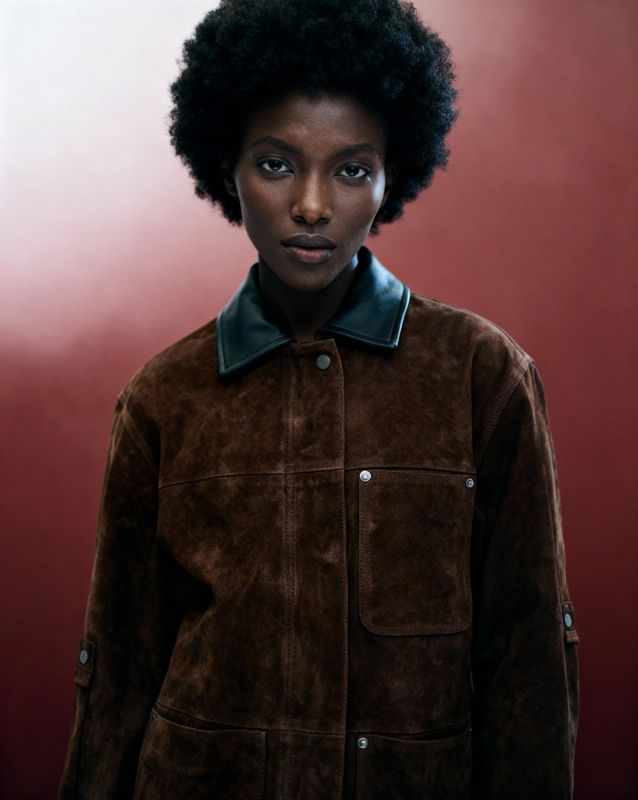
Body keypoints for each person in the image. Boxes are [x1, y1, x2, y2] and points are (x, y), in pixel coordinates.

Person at [57, 1, 579, 798]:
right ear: (224, 166)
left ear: (390, 176)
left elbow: (528, 659)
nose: (310, 204)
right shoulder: (164, 399)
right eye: (275, 164)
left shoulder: (482, 377)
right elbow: (120, 670)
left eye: (350, 169)